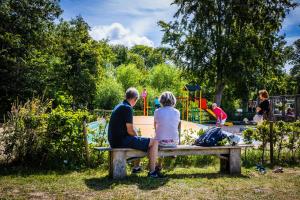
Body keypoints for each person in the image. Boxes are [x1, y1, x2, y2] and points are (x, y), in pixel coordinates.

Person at [108, 87, 161, 178]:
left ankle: (136, 167)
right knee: (154, 142)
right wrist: (138, 137)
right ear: (135, 99)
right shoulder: (127, 108)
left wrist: (138, 138)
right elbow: (130, 130)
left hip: (114, 141)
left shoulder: (119, 106)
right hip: (121, 141)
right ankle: (152, 172)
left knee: (143, 140)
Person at [154, 91, 181, 170]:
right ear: (173, 101)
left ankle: (158, 164)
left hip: (161, 142)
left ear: (161, 100)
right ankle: (161, 164)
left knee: (158, 138)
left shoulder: (157, 111)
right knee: (166, 133)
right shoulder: (177, 112)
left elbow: (155, 126)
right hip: (174, 142)